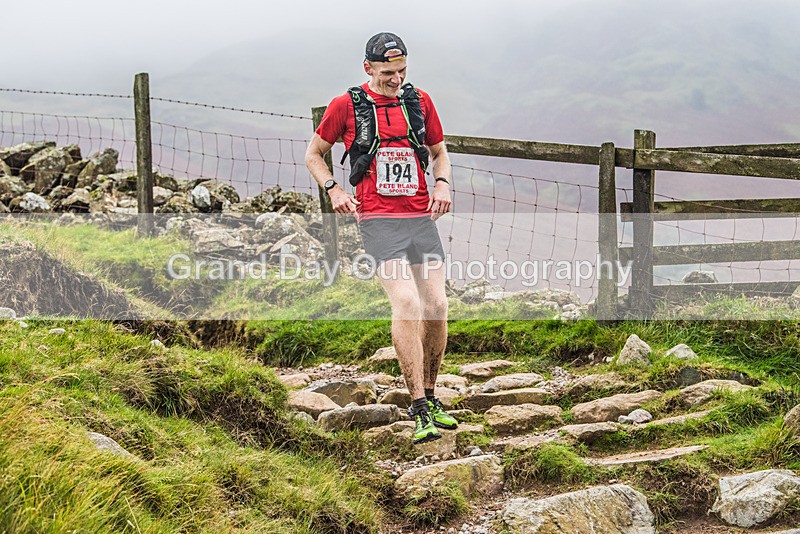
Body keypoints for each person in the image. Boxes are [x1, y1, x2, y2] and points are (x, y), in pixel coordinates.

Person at [305, 32, 457, 445]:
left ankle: (431, 393)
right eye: (388, 72)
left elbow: (439, 150)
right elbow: (313, 155)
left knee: (437, 304)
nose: (396, 79)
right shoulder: (346, 106)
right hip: (378, 220)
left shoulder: (419, 101)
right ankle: (418, 405)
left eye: (402, 70)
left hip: (420, 217)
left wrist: (441, 185)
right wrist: (334, 190)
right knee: (406, 301)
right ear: (368, 68)